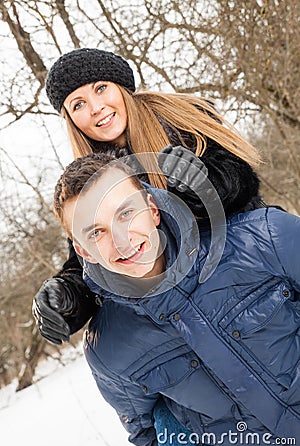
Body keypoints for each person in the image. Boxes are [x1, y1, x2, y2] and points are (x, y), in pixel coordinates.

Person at [52, 150, 300, 446]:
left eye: (125, 213)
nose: (121, 239)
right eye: (96, 232)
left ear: (152, 208)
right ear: (84, 252)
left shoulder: (264, 237)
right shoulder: (108, 349)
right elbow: (149, 436)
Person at [33, 47, 263, 345]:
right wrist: (68, 296)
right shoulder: (90, 177)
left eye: (101, 89)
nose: (96, 108)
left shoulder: (181, 120)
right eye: (78, 104)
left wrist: (200, 187)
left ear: (121, 86)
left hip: (248, 269)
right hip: (187, 321)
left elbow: (240, 181)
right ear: (72, 120)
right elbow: (90, 259)